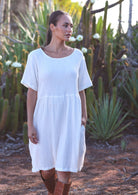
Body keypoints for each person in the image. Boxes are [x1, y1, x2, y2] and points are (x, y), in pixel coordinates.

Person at [21, 10, 92, 195]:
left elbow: (81, 88)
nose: (69, 29)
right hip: (44, 117)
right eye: (65, 25)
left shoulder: (77, 56)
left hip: (70, 117)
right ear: (53, 27)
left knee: (65, 170)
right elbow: (31, 92)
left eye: (71, 26)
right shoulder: (36, 56)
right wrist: (30, 124)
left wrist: (84, 115)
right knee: (46, 169)